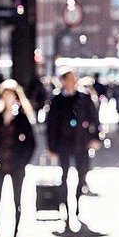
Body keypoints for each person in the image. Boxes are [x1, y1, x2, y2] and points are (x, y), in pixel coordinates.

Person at [0, 79, 36, 237]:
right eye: (5, 95)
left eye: (10, 95)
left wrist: (23, 161)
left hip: (16, 166)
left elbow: (31, 143)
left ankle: (15, 235)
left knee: (17, 201)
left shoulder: (22, 119)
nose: (7, 98)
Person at [46, 68, 101, 219]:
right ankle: (64, 203)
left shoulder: (83, 97)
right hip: (63, 142)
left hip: (81, 142)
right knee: (64, 174)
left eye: (73, 79)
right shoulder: (56, 100)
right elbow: (50, 125)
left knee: (81, 173)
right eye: (69, 79)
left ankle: (76, 202)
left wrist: (96, 137)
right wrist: (51, 146)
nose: (72, 82)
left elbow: (94, 119)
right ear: (63, 81)